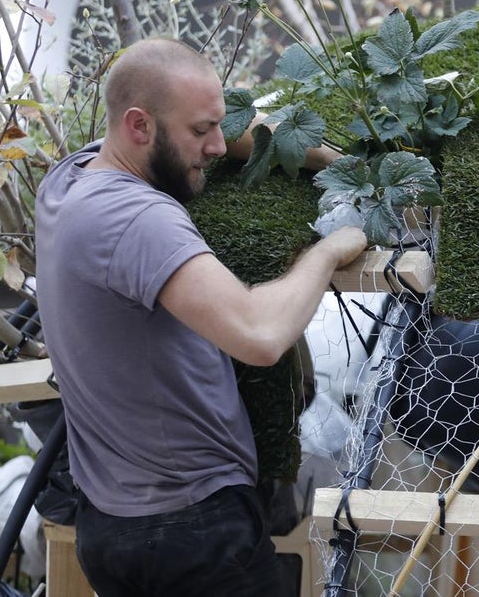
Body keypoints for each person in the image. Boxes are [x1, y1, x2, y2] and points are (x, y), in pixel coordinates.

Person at [34, 37, 367, 596]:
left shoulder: (70, 179)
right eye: (199, 132)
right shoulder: (138, 218)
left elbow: (223, 130)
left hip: (110, 524)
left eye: (217, 126)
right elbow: (260, 336)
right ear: (139, 127)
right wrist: (329, 251)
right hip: (190, 536)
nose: (217, 147)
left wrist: (336, 161)